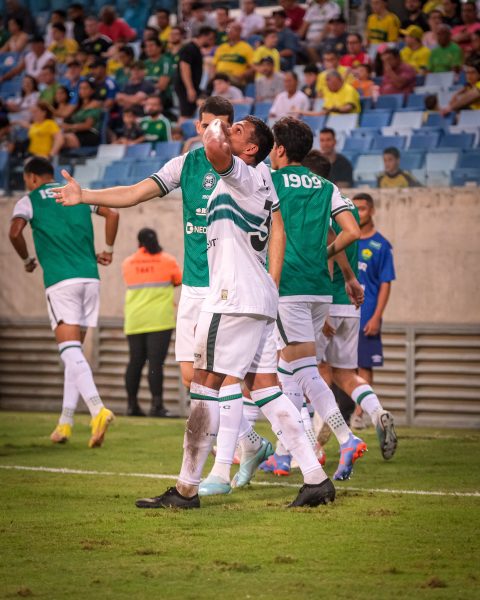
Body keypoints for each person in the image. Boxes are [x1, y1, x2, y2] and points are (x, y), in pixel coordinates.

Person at [52, 109, 337, 510]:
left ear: (251, 148)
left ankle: (187, 488)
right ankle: (315, 478)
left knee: (203, 383)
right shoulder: (261, 181)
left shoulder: (239, 172)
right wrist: (86, 196)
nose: (226, 132)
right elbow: (276, 225)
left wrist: (213, 126)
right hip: (256, 298)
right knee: (266, 388)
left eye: (237, 129)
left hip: (232, 298)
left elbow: (216, 146)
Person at [260, 117, 366, 481]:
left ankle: (344, 436)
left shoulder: (269, 181)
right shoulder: (325, 185)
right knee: (288, 369)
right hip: (320, 288)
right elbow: (351, 231)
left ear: (280, 149)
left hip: (286, 285)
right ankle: (286, 453)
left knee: (302, 370)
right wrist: (325, 254)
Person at [9, 156, 119, 447]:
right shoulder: (73, 191)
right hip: (90, 278)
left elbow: (14, 232)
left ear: (32, 177)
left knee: (69, 351)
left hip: (60, 280)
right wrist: (107, 250)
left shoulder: (28, 200)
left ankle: (98, 409)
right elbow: (113, 214)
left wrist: (27, 260)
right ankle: (65, 423)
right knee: (76, 353)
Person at [316, 195, 398, 459]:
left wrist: (324, 308)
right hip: (351, 304)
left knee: (312, 371)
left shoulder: (319, 204)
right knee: (344, 374)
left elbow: (329, 251)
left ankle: (319, 434)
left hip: (329, 301)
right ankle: (377, 413)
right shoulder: (347, 207)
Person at [122, 228, 182, 417]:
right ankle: (157, 406)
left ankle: (132, 406)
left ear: (139, 242)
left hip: (135, 320)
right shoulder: (168, 261)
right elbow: (179, 280)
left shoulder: (128, 263)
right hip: (159, 321)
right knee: (155, 363)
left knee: (135, 362)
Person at [353, 192, 396, 419]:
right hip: (345, 313)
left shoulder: (381, 245)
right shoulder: (345, 239)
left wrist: (377, 316)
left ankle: (360, 415)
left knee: (364, 365)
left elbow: (385, 283)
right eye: (355, 208)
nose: (358, 213)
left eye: (362, 208)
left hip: (367, 314)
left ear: (372, 211)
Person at [175, 26, 215, 120]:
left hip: (191, 86)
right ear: (203, 36)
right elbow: (184, 67)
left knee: (190, 112)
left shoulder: (196, 49)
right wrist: (190, 88)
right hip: (186, 86)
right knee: (186, 114)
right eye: (210, 38)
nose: (212, 42)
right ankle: (179, 133)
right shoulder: (190, 48)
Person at [61, 79, 102, 149]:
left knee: (61, 139)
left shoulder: (95, 105)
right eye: (80, 88)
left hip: (89, 135)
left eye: (85, 88)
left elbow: (87, 125)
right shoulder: (77, 107)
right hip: (75, 133)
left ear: (92, 91)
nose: (82, 91)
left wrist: (70, 127)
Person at [212, 21, 255, 87]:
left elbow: (253, 68)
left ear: (239, 32)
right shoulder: (221, 47)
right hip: (220, 78)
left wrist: (241, 76)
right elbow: (214, 66)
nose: (229, 31)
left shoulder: (247, 48)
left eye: (233, 29)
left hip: (234, 79)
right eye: (228, 29)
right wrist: (215, 76)